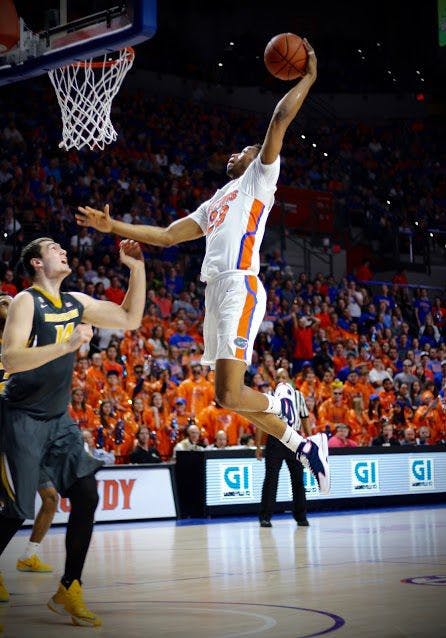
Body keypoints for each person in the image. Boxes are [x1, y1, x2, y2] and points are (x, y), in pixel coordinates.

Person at [76, 39, 329, 494]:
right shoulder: (215, 201)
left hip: (240, 286)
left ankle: (282, 400)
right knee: (226, 397)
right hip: (215, 291)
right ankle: (302, 445)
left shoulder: (260, 179)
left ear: (256, 160)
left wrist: (308, 76)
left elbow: (278, 120)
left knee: (235, 394)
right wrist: (113, 225)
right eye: (236, 153)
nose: (234, 154)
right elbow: (169, 235)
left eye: (242, 150)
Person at [0, 236, 145, 627]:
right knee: (16, 511)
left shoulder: (77, 301)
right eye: (51, 247)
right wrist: (66, 345)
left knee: (86, 494)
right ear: (35, 263)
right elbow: (10, 358)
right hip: (21, 416)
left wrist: (137, 269)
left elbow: (131, 319)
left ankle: (70, 586)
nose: (62, 249)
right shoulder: (26, 301)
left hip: (58, 419)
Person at [1, 291, 56, 575]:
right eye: (3, 301)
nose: (8, 302)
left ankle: (30, 555)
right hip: (4, 432)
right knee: (13, 507)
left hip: (29, 432)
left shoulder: (31, 347)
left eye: (11, 300)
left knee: (50, 498)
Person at [256, 386, 310, 528]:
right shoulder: (269, 395)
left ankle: (301, 516)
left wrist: (309, 440)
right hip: (275, 438)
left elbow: (305, 419)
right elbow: (260, 422)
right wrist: (258, 445)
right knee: (271, 479)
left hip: (294, 437)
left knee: (298, 479)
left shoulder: (298, 395)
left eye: (285, 376)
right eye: (279, 377)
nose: (282, 380)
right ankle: (265, 517)